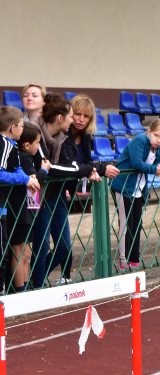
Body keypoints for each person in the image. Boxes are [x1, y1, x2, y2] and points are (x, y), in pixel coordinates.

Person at [32, 94, 107, 287]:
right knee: (40, 247)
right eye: (76, 114)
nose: (79, 119)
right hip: (42, 195)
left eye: (86, 116)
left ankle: (34, 280)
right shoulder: (49, 134)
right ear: (63, 117)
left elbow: (79, 163)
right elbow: (59, 167)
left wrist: (91, 170)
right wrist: (91, 169)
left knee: (64, 247)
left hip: (59, 195)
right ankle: (34, 284)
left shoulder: (76, 136)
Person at [110, 119, 160, 270]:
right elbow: (137, 163)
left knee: (137, 225)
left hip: (138, 190)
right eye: (156, 135)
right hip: (123, 187)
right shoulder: (140, 140)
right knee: (126, 225)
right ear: (149, 131)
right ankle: (123, 263)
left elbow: (158, 164)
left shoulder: (159, 149)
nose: (158, 140)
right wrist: (155, 170)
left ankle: (134, 260)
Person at [1, 107, 41, 291]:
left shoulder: (13, 146)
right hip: (6, 205)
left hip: (5, 208)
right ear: (12, 127)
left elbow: (17, 169)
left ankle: (18, 290)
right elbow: (1, 173)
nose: (23, 130)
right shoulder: (4, 145)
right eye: (21, 126)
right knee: (5, 251)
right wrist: (25, 179)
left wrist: (27, 178)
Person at [13, 122, 47, 290]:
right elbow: (33, 180)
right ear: (27, 145)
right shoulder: (24, 157)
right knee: (20, 251)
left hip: (26, 208)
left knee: (26, 251)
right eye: (38, 142)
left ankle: (25, 287)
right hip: (20, 208)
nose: (39, 146)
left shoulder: (25, 156)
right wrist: (45, 170)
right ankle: (20, 289)